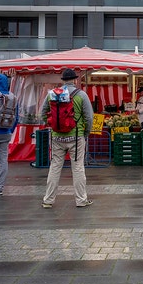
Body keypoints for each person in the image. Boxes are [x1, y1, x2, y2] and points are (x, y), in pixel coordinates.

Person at [41, 69, 94, 208]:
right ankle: (81, 200)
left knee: (55, 167)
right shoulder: (81, 95)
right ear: (75, 80)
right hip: (76, 136)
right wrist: (86, 133)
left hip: (57, 137)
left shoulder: (51, 94)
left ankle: (48, 200)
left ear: (63, 80)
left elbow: (42, 114)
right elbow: (89, 117)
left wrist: (52, 125)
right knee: (77, 168)